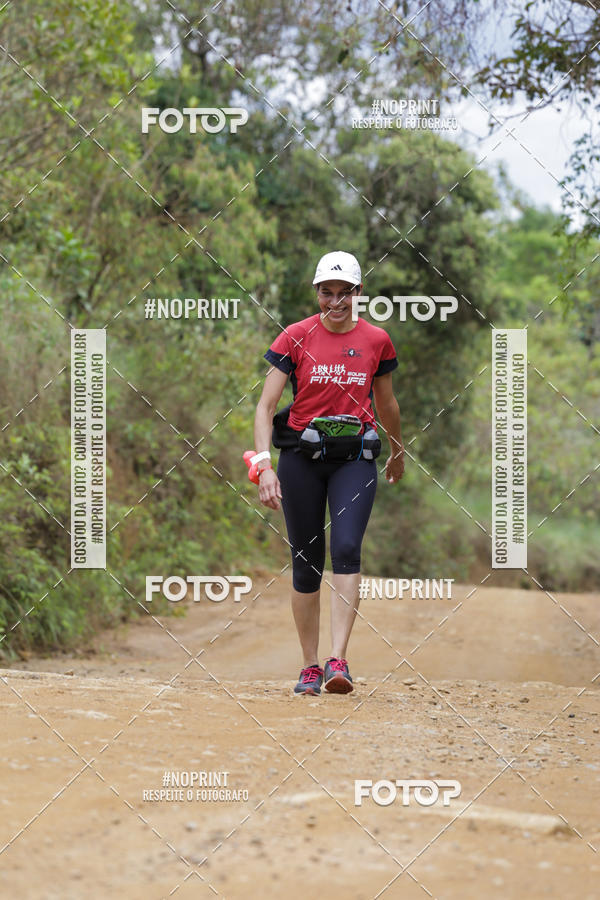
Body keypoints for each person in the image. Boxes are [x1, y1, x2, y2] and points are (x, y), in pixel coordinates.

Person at [253, 251, 404, 696]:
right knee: (305, 562)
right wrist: (263, 465)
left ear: (358, 294)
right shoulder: (295, 336)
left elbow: (388, 404)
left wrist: (397, 451)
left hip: (355, 458)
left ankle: (339, 660)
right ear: (317, 292)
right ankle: (309, 667)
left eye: (344, 293)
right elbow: (264, 407)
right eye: (327, 292)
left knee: (346, 547)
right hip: (300, 459)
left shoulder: (377, 340)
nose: (335, 301)